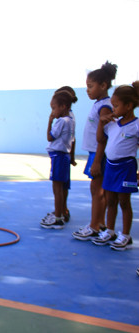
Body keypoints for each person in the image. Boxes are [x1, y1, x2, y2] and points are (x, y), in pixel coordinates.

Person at [72, 61, 117, 241]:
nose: (87, 90)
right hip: (96, 153)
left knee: (97, 191)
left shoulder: (104, 106)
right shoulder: (101, 103)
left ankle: (94, 226)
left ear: (103, 85)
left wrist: (97, 160)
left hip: (99, 154)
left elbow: (103, 137)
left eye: (90, 86)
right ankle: (99, 223)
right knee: (100, 191)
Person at [91, 82, 139, 250]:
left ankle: (125, 235)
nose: (113, 109)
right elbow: (100, 140)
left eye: (116, 106)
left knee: (124, 202)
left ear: (129, 106)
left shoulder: (136, 125)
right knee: (111, 200)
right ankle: (110, 231)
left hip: (126, 168)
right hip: (111, 167)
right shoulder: (112, 124)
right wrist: (101, 122)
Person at [40, 91, 76, 229]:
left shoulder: (61, 121)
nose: (52, 111)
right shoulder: (71, 120)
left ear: (63, 106)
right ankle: (59, 214)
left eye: (54, 108)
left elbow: (50, 137)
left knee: (57, 188)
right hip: (64, 156)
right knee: (61, 187)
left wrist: (49, 122)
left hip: (59, 156)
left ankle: (58, 217)